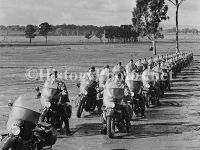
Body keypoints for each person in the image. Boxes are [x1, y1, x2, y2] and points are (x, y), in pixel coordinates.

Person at [40, 70, 71, 135]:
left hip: (57, 100)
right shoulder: (47, 82)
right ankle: (39, 127)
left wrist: (63, 93)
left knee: (63, 114)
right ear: (50, 75)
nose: (54, 76)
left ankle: (67, 130)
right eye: (52, 75)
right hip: (48, 100)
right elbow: (44, 90)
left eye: (55, 75)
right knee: (43, 113)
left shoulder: (60, 83)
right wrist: (42, 95)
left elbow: (63, 90)